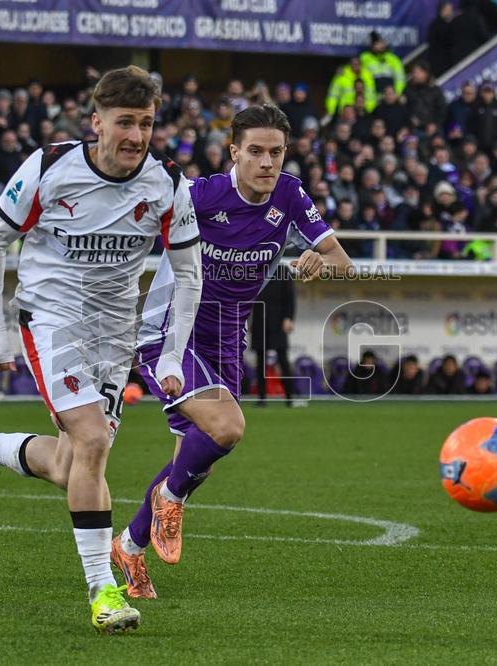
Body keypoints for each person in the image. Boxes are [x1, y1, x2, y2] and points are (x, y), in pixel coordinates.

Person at [0, 66, 202, 634]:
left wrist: (173, 355)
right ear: (96, 123)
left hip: (114, 335)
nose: (136, 136)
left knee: (71, 464)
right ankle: (102, 592)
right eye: (125, 122)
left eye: (147, 124)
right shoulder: (48, 166)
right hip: (52, 322)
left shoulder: (167, 183)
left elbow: (188, 276)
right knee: (90, 443)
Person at [113, 104, 352, 599]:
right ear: (235, 152)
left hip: (226, 336)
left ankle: (130, 547)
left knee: (194, 460)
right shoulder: (200, 195)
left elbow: (342, 262)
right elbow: (135, 226)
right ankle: (166, 501)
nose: (268, 162)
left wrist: (317, 260)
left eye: (277, 153)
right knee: (227, 428)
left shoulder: (288, 194)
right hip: (170, 331)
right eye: (257, 152)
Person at [250, 263, 297, 405]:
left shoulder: (283, 270)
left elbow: (290, 297)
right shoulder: (257, 268)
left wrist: (289, 317)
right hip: (259, 320)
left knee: (283, 360)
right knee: (260, 362)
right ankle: (261, 398)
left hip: (278, 321)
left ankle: (289, 398)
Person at [359, 31, 406, 97]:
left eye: (382, 42)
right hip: (371, 96)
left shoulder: (393, 58)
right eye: (377, 43)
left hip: (390, 96)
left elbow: (400, 78)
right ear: (372, 45)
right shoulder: (364, 58)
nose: (381, 45)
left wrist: (397, 93)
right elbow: (358, 75)